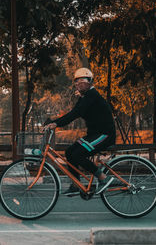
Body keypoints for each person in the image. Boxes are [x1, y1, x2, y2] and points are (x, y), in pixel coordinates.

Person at [44, 68, 116, 196]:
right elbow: (73, 112)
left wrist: (56, 124)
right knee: (70, 152)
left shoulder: (91, 96)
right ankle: (76, 184)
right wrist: (54, 121)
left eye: (82, 80)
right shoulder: (84, 97)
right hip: (94, 135)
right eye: (76, 81)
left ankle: (103, 178)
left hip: (104, 135)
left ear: (90, 82)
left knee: (78, 154)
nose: (78, 83)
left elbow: (75, 114)